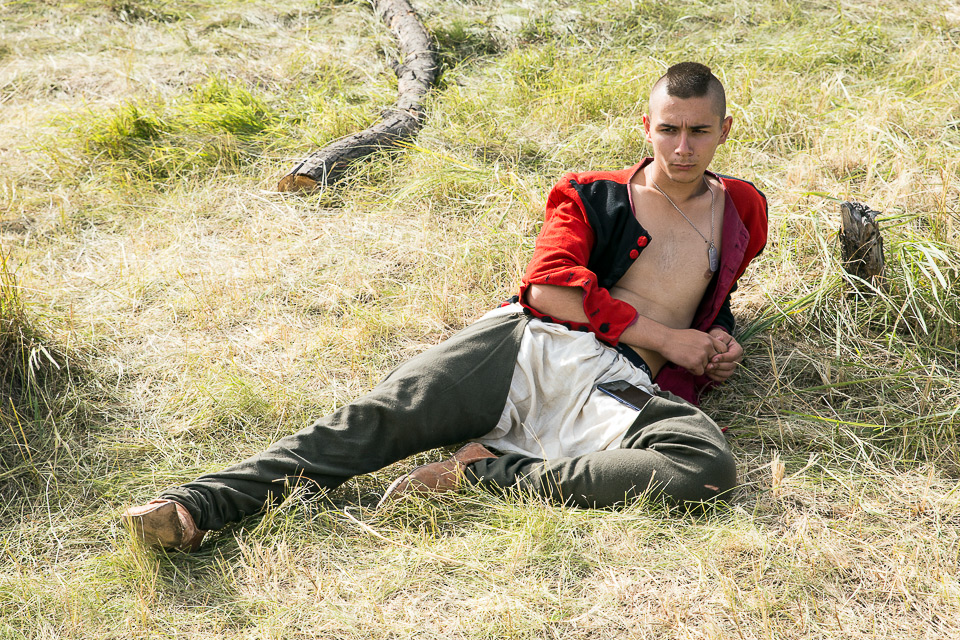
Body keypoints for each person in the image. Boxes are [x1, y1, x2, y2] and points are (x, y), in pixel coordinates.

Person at [122, 62, 768, 552]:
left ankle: (487, 474)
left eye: (699, 131)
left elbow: (713, 295)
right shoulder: (590, 193)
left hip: (615, 385)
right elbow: (548, 291)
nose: (682, 148)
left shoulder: (742, 208)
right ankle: (194, 506)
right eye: (669, 130)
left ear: (725, 130)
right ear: (646, 127)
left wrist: (716, 338)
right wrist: (671, 338)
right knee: (372, 422)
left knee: (705, 469)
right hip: (528, 346)